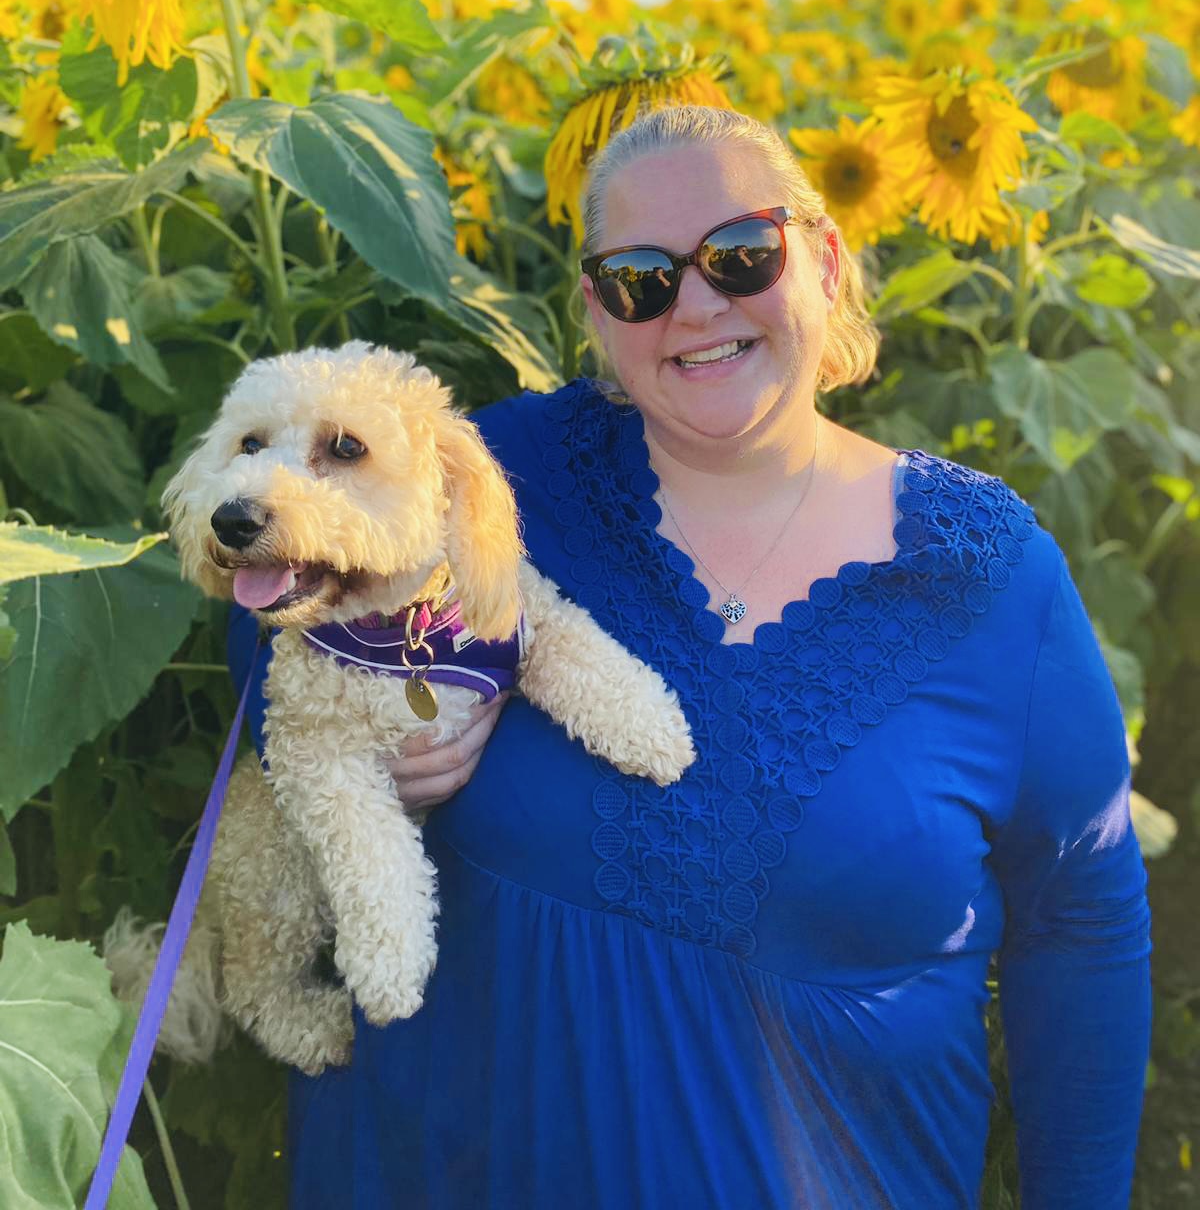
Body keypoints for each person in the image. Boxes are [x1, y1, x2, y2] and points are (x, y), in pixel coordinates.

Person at [229, 104, 1150, 1209]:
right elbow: (267, 572)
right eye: (641, 278)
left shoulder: (989, 578)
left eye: (743, 255)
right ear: (595, 311)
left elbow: (1081, 923)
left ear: (824, 255)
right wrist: (354, 725)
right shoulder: (498, 479)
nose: (698, 305)